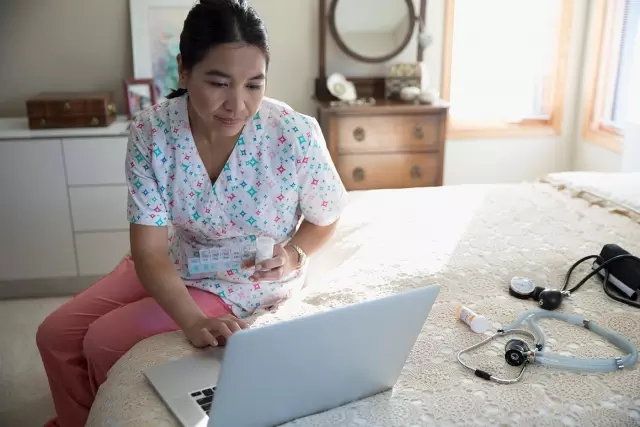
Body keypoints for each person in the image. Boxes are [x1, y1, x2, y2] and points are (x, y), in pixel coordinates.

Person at [35, 1, 347, 425]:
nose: (237, 104)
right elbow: (149, 251)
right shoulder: (152, 131)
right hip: (176, 259)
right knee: (54, 335)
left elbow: (325, 215)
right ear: (184, 70)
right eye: (219, 83)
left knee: (103, 341)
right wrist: (192, 320)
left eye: (254, 85)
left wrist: (294, 255)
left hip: (244, 280)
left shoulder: (294, 134)